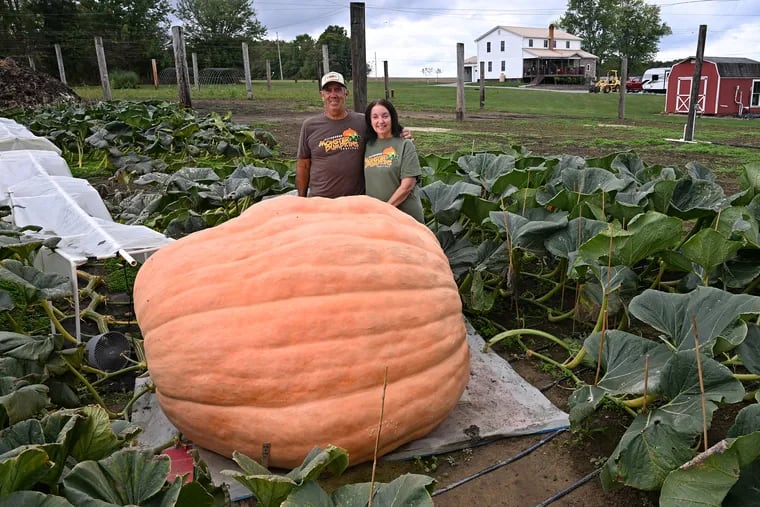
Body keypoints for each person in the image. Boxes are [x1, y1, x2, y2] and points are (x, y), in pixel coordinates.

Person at [296, 71, 412, 198]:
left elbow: (385, 132)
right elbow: (304, 165)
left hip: (355, 201)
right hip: (320, 200)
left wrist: (401, 132)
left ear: (346, 93)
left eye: (338, 90)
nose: (333, 95)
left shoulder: (363, 122)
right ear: (322, 95)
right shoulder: (310, 126)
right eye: (328, 90)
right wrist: (301, 199)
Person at [363, 99, 424, 223]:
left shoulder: (405, 144)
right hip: (377, 218)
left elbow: (408, 185)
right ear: (370, 121)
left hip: (405, 216)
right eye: (375, 117)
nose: (380, 121)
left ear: (392, 117)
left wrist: (385, 210)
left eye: (385, 116)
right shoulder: (368, 145)